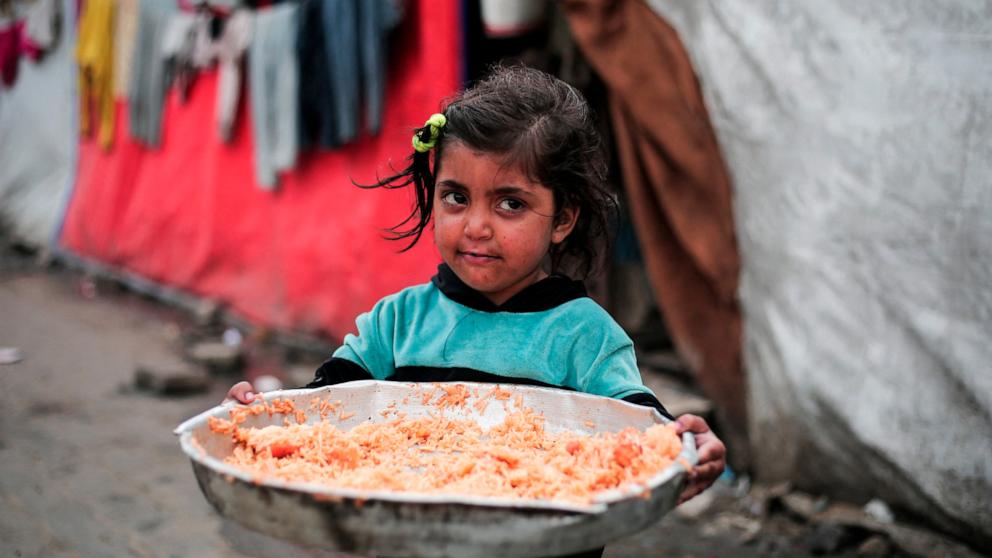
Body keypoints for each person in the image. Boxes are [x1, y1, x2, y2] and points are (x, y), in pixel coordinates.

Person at [226, 65, 726, 543]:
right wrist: (260, 420)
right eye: (456, 197)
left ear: (562, 220)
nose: (476, 226)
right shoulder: (395, 324)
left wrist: (685, 443)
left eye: (511, 203)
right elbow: (321, 414)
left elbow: (640, 438)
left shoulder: (584, 337)